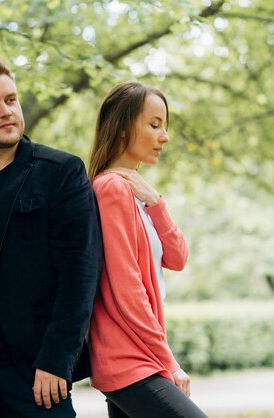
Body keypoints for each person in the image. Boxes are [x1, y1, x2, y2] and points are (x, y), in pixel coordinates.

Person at [0, 58, 102, 417]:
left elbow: (80, 273)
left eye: (10, 99)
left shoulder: (61, 173)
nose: (6, 111)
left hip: (36, 373)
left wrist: (57, 358)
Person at [87, 82, 208, 418]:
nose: (164, 136)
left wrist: (155, 202)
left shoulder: (133, 191)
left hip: (136, 357)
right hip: (130, 359)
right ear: (124, 128)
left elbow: (178, 258)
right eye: (154, 125)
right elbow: (126, 290)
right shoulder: (110, 188)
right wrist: (168, 361)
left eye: (164, 126)